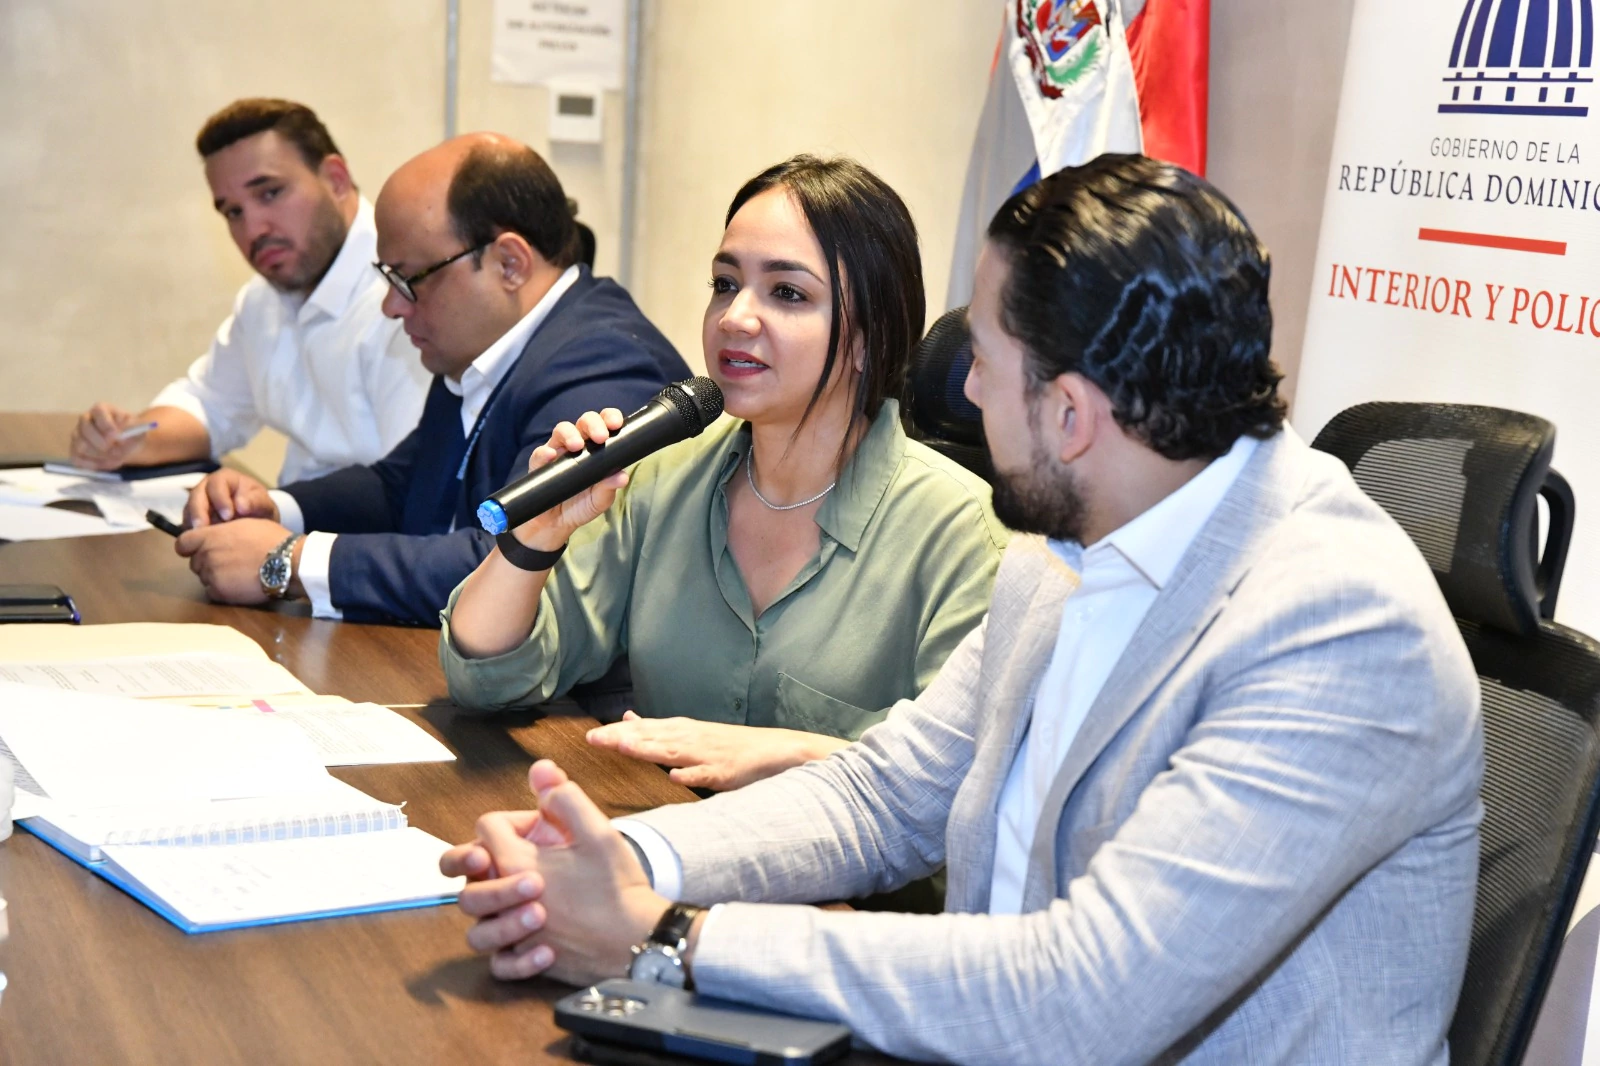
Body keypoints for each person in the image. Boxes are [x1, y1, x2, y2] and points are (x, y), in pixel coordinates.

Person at [440, 155, 1484, 1065]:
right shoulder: (1059, 556)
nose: (966, 393)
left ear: (1070, 414)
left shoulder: (1337, 630)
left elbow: (1088, 997)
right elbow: (883, 799)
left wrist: (667, 936)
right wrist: (622, 862)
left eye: (983, 360)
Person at [439, 155, 1006, 791]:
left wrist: (790, 754)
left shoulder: (964, 536)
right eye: (725, 283)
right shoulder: (661, 477)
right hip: (666, 833)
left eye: (787, 293)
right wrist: (537, 537)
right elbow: (484, 679)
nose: (734, 317)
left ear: (868, 338)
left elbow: (965, 779)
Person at [173, 133, 688, 626]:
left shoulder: (608, 365)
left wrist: (292, 562)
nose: (391, 307)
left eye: (408, 279)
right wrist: (274, 507)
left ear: (509, 263)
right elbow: (402, 486)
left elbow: (511, 563)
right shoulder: (483, 342)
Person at [69, 98, 431, 483]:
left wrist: (277, 511)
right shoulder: (265, 298)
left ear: (336, 180)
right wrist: (130, 439)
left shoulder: (407, 298)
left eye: (270, 193)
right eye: (233, 212)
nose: (254, 230)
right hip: (297, 512)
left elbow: (408, 488)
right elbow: (212, 404)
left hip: (354, 519)